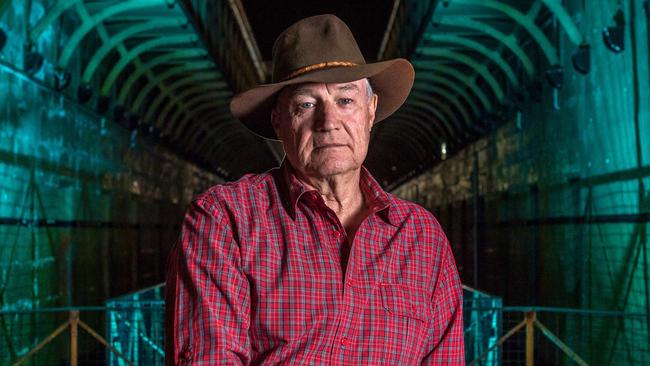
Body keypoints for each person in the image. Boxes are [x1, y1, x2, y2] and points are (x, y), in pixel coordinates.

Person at [166, 14, 464, 365]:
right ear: (279, 120)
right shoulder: (225, 220)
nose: (328, 123)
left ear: (370, 111)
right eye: (306, 105)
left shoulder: (422, 238)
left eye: (346, 100)